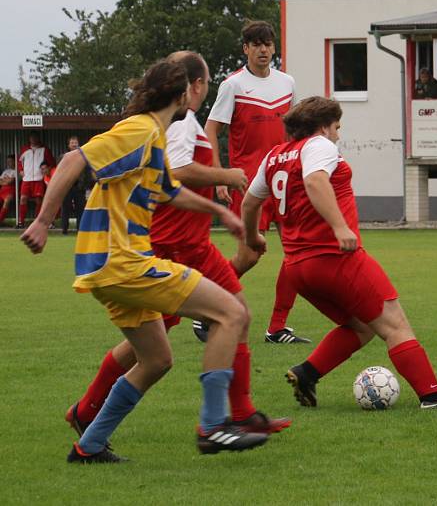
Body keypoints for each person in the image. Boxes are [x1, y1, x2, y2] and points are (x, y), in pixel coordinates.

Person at [21, 59, 268, 463]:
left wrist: (220, 213)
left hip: (106, 267)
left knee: (156, 360)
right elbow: (72, 161)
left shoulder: (152, 135)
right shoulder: (137, 131)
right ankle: (213, 426)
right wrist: (44, 222)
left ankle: (90, 445)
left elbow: (167, 190)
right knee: (231, 313)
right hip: (122, 261)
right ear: (185, 92)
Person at [241, 96, 437, 409]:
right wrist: (340, 227)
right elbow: (315, 181)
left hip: (297, 268)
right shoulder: (318, 145)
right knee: (395, 325)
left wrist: (253, 237)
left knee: (362, 326)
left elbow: (249, 203)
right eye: (337, 128)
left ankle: (307, 373)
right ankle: (432, 398)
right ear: (322, 127)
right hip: (334, 258)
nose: (338, 135)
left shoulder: (275, 156)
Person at [205, 19, 308, 345]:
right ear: (245, 49)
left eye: (268, 44)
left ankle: (277, 327)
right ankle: (205, 304)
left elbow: (296, 130)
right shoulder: (232, 85)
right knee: (249, 256)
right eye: (256, 44)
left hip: (286, 180)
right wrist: (219, 175)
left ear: (273, 48)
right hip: (248, 184)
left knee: (298, 253)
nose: (263, 50)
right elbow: (211, 131)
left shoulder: (287, 83)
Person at [17, 131, 55, 227]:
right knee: (23, 199)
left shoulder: (45, 149)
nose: (33, 139)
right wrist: (21, 170)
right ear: (29, 138)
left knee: (39, 200)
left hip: (39, 179)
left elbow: (51, 163)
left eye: (35, 137)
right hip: (27, 179)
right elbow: (19, 162)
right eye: (31, 137)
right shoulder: (24, 149)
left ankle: (37, 222)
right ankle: (21, 222)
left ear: (38, 138)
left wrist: (46, 171)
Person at [60, 135, 92, 234]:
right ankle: (64, 229)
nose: (74, 144)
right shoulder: (63, 157)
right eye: (72, 143)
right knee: (66, 209)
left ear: (79, 144)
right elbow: (60, 172)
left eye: (75, 142)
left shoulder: (83, 156)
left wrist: (86, 186)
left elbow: (87, 172)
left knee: (80, 209)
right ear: (68, 145)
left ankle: (80, 229)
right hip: (67, 187)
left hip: (79, 187)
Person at [0, 154, 18, 224]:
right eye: (7, 161)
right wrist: (7, 181)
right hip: (2, 190)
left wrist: (5, 181)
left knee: (7, 201)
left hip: (11, 190)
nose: (8, 163)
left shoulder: (17, 171)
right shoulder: (6, 171)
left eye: (10, 161)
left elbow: (11, 182)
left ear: (14, 161)